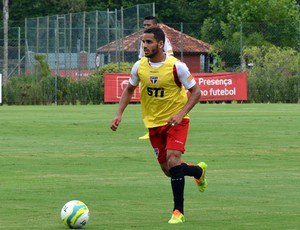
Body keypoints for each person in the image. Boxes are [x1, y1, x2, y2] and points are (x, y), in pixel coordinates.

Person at [110, 27, 208, 224]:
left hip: (176, 121)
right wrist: (119, 114)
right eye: (143, 42)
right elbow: (129, 89)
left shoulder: (177, 67)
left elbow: (196, 92)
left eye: (149, 42)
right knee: (168, 170)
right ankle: (198, 171)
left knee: (173, 160)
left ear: (160, 44)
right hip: (154, 124)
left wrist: (181, 114)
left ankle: (178, 212)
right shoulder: (139, 67)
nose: (145, 46)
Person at [138, 16, 173, 140]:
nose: (146, 28)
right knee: (149, 102)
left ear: (156, 26)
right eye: (145, 26)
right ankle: (151, 128)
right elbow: (141, 58)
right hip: (149, 73)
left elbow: (169, 56)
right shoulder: (144, 41)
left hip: (163, 75)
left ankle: (168, 126)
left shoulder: (163, 40)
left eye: (149, 25)